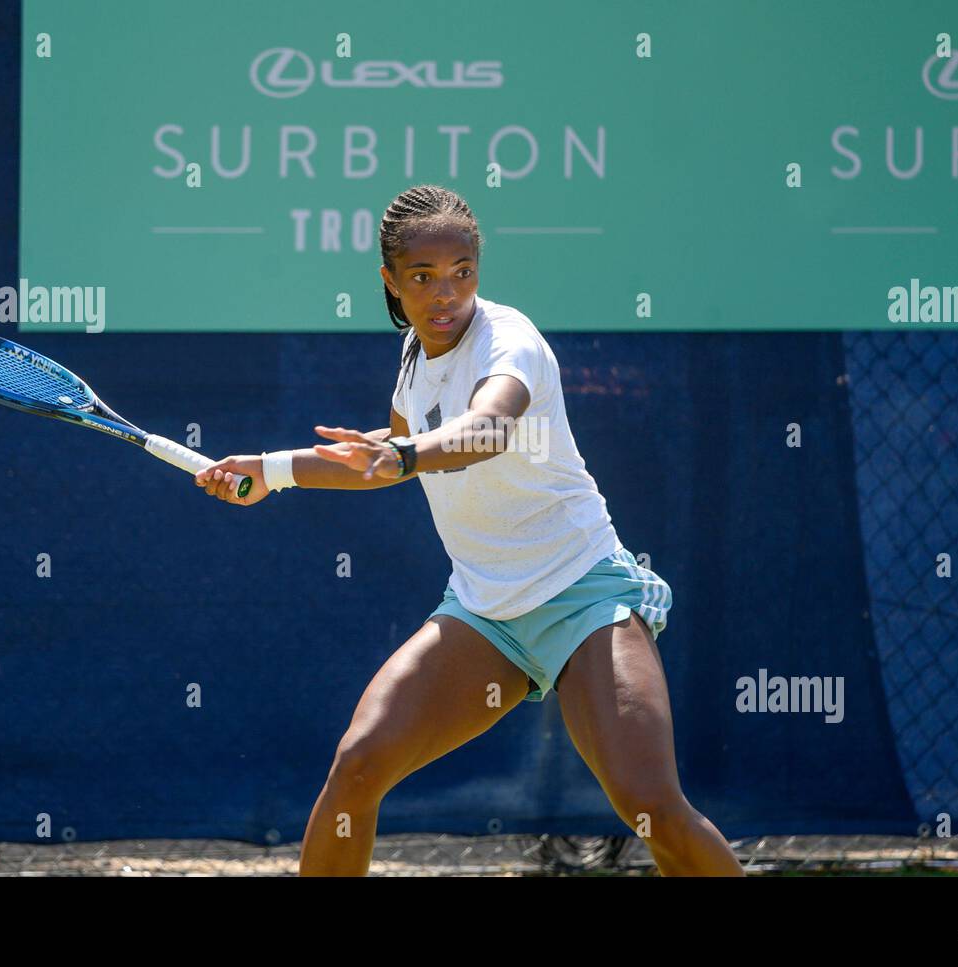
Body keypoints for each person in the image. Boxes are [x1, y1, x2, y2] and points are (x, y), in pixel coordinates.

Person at [194, 184, 744, 877]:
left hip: (582, 597)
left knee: (650, 804)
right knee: (358, 768)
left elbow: (483, 429)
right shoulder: (414, 361)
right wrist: (270, 470)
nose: (444, 293)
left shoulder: (511, 342)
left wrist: (405, 454)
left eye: (461, 273)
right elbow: (385, 457)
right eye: (422, 277)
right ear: (390, 281)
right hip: (485, 614)